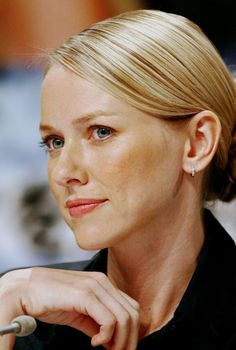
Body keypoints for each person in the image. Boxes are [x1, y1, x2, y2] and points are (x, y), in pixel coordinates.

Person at [0, 9, 236, 350]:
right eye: (55, 142)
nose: (65, 172)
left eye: (101, 132)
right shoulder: (24, 318)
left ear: (197, 142)